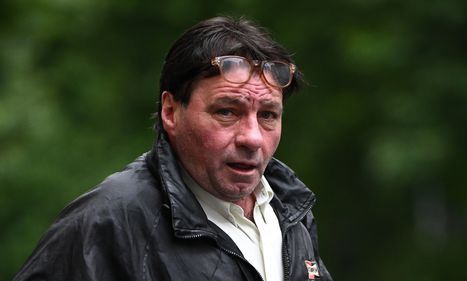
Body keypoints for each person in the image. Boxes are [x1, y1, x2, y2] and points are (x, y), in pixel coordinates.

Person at [14, 16, 332, 281]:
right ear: (170, 111)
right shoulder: (109, 221)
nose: (252, 137)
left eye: (268, 116)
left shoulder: (290, 210)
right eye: (226, 112)